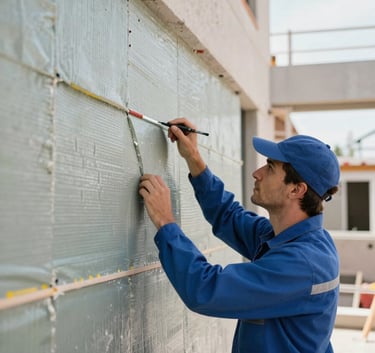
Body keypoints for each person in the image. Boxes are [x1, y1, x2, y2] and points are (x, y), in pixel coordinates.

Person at [139, 118, 340, 353]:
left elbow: (205, 289)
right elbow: (228, 216)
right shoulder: (289, 238)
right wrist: (193, 157)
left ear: (296, 189)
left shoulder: (303, 264)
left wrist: (166, 222)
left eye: (271, 167)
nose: (257, 173)